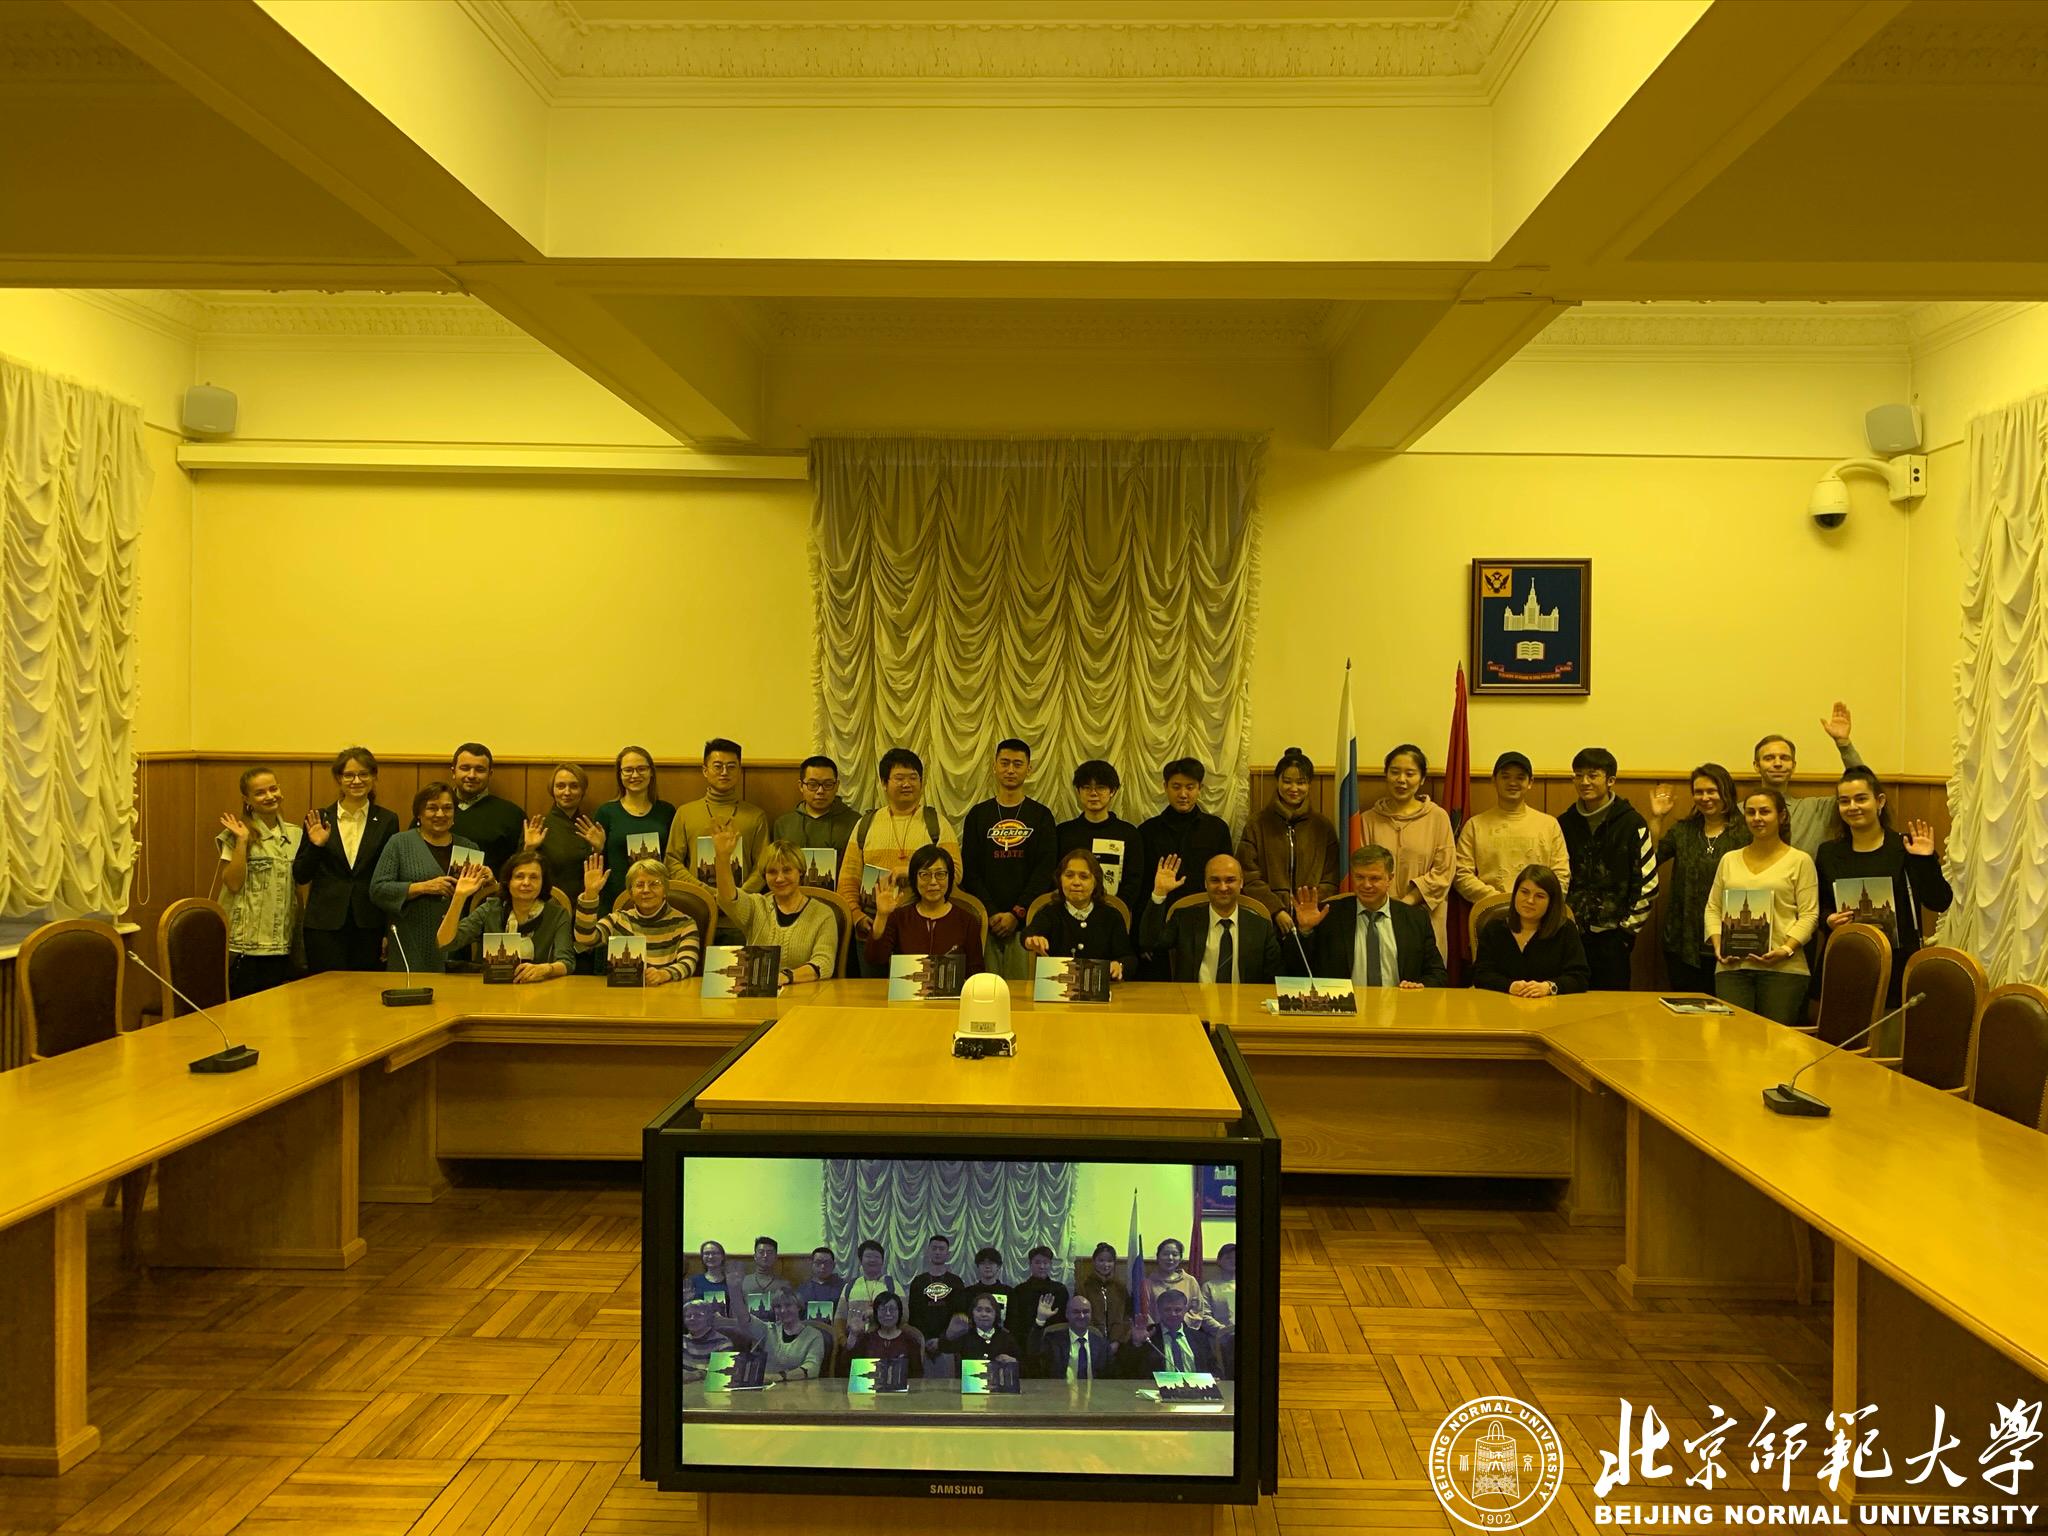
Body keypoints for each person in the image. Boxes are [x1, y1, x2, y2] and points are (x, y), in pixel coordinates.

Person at [1816, 768, 1953, 1007]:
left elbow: (1940, 901)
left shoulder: (1906, 846)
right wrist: (1829, 919)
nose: (1852, 807)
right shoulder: (1828, 853)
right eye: (1844, 801)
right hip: (1847, 962)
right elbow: (1819, 907)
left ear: (1879, 801)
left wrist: (1924, 861)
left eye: (1861, 799)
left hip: (1897, 966)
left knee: (1891, 1029)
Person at [1705, 789, 1820, 1026]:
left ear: (1782, 816)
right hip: (1732, 968)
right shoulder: (1729, 860)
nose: (1757, 818)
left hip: (1784, 970)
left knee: (1775, 1042)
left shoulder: (1800, 860)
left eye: (1765, 812)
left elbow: (1809, 915)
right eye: (1751, 812)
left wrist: (1786, 950)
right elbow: (1713, 908)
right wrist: (1718, 945)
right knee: (1732, 1039)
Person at [836, 748, 963, 947]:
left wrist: (909, 871)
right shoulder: (865, 824)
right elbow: (848, 879)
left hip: (922, 925)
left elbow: (955, 873)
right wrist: (856, 915)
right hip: (874, 924)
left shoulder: (937, 824)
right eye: (899, 778)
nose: (907, 784)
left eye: (913, 777)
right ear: (884, 783)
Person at [1647, 764, 1751, 994]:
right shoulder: (1683, 830)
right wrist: (1657, 818)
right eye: (1699, 792)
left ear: (1726, 792)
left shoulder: (1747, 831)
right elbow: (1650, 861)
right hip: (1683, 938)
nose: (1705, 798)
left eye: (1712, 791)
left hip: (1733, 939)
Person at [1560, 747, 1657, 990]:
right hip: (1568, 935)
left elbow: (1649, 883)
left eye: (1593, 775)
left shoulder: (1632, 823)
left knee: (1612, 1007)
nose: (1584, 782)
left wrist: (1626, 932)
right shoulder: (1563, 823)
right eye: (1578, 775)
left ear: (1610, 780)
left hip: (1614, 939)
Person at [961, 738, 1059, 980]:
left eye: (1017, 764)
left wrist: (1017, 914)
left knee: (1022, 990)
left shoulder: (1041, 816)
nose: (1010, 770)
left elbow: (1045, 870)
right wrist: (991, 912)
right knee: (985, 986)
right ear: (994, 766)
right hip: (986, 922)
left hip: (1027, 924)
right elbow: (970, 870)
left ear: (1029, 769)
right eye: (1004, 763)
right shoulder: (978, 815)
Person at [295, 746, 399, 974]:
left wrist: (388, 930)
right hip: (324, 925)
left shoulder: (387, 820)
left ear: (374, 776)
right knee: (325, 990)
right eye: (349, 775)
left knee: (366, 991)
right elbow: (301, 875)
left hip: (369, 924)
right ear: (338, 778)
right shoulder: (319, 818)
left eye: (363, 774)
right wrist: (316, 846)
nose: (356, 781)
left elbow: (390, 878)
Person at [1293, 843, 1449, 989]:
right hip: (1345, 1007)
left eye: (1374, 878)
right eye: (1360, 877)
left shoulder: (1415, 919)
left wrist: (1419, 987)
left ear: (1390, 878)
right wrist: (1305, 931)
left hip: (1400, 1005)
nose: (1366, 885)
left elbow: (1437, 974)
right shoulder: (1328, 915)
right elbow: (1296, 969)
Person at [371, 781, 482, 975]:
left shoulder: (469, 848)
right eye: (432, 808)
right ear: (419, 814)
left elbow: (479, 903)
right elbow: (378, 890)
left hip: (456, 946)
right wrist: (423, 887)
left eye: (447, 808)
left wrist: (488, 882)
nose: (440, 814)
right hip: (412, 942)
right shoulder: (399, 843)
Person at [710, 825, 836, 990]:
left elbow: (823, 963)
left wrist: (786, 977)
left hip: (805, 996)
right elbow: (727, 899)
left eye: (787, 870)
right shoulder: (756, 906)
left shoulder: (823, 914)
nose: (779, 878)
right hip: (757, 997)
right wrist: (722, 857)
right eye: (772, 872)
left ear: (801, 871)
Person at [1359, 743, 1456, 954]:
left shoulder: (1438, 817)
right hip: (1376, 915)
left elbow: (1444, 871)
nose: (1401, 779)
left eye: (1410, 774)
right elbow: (1362, 871)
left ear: (1422, 779)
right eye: (1395, 772)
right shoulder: (1367, 820)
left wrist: (1406, 903)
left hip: (1424, 916)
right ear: (1386, 775)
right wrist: (1386, 906)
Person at [216, 765, 301, 997]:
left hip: (282, 944)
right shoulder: (236, 833)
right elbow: (232, 883)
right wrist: (242, 842)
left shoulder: (296, 834)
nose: (270, 796)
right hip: (245, 945)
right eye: (260, 792)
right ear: (247, 799)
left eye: (273, 789)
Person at [1237, 747, 1341, 931]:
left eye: (1301, 782)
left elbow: (1331, 878)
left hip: (1312, 918)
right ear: (1277, 781)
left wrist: (1308, 908)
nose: (1294, 789)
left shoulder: (1323, 827)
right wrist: (1276, 910)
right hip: (1266, 919)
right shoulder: (1257, 824)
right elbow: (1248, 875)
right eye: (1287, 781)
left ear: (1309, 784)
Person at [1139, 853, 1285, 985]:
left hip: (1245, 1003)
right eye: (1215, 880)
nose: (1223, 887)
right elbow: (1149, 943)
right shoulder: (1184, 919)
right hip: (1193, 1001)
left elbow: (1274, 980)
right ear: (1205, 884)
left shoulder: (1261, 927)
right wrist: (1159, 893)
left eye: (1230, 880)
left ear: (1241, 883)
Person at [1453, 750, 1571, 906]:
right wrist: (1499, 900)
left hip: (1539, 912)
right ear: (1494, 780)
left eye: (1520, 777)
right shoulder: (1475, 825)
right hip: (1491, 910)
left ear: (1530, 782)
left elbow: (1561, 874)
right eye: (1505, 777)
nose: (1512, 783)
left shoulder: (1549, 824)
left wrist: (1536, 902)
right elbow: (1461, 874)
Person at [435, 849, 574, 980]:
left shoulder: (557, 914)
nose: (526, 883)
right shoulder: (490, 909)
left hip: (538, 988)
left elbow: (567, 962)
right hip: (490, 990)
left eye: (534, 877)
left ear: (543, 883)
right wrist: (459, 896)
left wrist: (547, 969)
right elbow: (444, 943)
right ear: (508, 882)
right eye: (519, 876)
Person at [573, 853, 701, 985]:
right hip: (626, 993)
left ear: (665, 890)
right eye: (639, 885)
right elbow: (585, 939)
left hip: (668, 991)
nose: (646, 890)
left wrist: (664, 974)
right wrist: (590, 895)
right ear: (631, 893)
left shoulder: (685, 924)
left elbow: (688, 963)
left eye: (654, 884)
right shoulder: (618, 919)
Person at [1755, 704, 1865, 857]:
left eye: (1785, 758)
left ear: (1793, 766)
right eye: (1769, 758)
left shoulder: (1817, 810)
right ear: (1756, 766)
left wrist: (1844, 744)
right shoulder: (1742, 812)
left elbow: (1864, 785)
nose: (1778, 763)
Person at [665, 738, 768, 894]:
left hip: (744, 902)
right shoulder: (685, 813)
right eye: (718, 766)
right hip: (697, 900)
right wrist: (704, 892)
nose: (724, 772)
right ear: (705, 770)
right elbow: (672, 861)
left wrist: (738, 897)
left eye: (731, 767)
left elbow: (763, 865)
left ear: (739, 771)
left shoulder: (756, 816)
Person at [863, 844, 985, 976]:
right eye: (924, 874)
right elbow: (874, 959)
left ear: (949, 878)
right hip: (906, 989)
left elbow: (976, 973)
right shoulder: (899, 917)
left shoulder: (967, 921)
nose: (933, 882)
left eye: (940, 874)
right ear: (914, 879)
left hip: (954, 990)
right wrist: (881, 916)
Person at [1471, 865, 1590, 997]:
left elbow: (1580, 977)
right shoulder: (1494, 929)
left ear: (1551, 902)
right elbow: (1481, 975)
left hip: (1550, 1006)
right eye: (1524, 892)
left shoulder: (1565, 929)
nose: (1530, 900)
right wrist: (1509, 986)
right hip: (1501, 1004)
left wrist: (1549, 987)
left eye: (1540, 896)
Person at [588, 746, 676, 915]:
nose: (635, 775)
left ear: (651, 772)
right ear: (620, 775)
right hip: (616, 901)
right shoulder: (606, 812)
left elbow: (674, 857)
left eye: (641, 769)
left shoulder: (667, 811)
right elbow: (594, 865)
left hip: (658, 901)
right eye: (628, 770)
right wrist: (597, 848)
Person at [1138, 758, 1233, 913]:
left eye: (1190, 787)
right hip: (1160, 913)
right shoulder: (1147, 831)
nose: (1183, 794)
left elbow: (1226, 876)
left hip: (1205, 912)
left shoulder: (1217, 828)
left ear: (1200, 788)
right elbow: (1142, 885)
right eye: (1176, 787)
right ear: (1165, 787)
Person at [1022, 848, 1133, 979]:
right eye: (1069, 875)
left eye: (1084, 877)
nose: (1076, 882)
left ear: (1095, 881)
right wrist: (1031, 940)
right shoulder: (1049, 913)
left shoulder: (1111, 916)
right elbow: (1029, 933)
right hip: (1056, 986)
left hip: (1099, 987)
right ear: (1060, 879)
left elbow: (1128, 957)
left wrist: (1119, 965)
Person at [1056, 759, 1147, 912]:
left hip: (1113, 914)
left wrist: (1116, 909)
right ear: (1078, 791)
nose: (1093, 793)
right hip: (1068, 913)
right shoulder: (1063, 832)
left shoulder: (1128, 833)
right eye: (1086, 787)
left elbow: (1134, 881)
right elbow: (1055, 876)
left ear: (1112, 791)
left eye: (1101, 787)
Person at [769, 755, 861, 873]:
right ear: (801, 786)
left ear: (837, 786)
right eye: (812, 785)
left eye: (828, 784)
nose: (820, 791)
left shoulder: (855, 822)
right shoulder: (784, 824)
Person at [530, 763, 604, 903]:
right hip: (547, 902)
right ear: (552, 790)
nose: (567, 792)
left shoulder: (591, 828)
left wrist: (598, 849)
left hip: (586, 900)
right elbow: (520, 871)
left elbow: (599, 874)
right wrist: (529, 848)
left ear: (583, 790)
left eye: (574, 786)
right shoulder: (538, 827)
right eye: (560, 786)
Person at [724, 1284, 827, 1384]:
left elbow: (812, 1368)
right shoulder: (768, 1329)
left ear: (798, 1307)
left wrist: (779, 1377)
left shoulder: (814, 1335)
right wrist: (734, 1289)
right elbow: (744, 1319)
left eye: (788, 1305)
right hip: (767, 1389)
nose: (783, 1310)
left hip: (799, 1390)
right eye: (778, 1306)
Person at [450, 743, 523, 876]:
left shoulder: (512, 815)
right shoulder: (432, 811)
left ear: (490, 774)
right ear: (453, 772)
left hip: (491, 888)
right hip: (435, 887)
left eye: (480, 770)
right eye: (465, 768)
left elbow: (522, 864)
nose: (471, 775)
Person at [1114, 1289, 1219, 1378]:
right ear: (1158, 1310)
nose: (1173, 1314)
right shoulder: (1148, 1334)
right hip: (1157, 1391)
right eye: (1167, 1310)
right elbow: (1126, 1371)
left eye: (1177, 1310)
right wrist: (1137, 1343)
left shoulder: (1199, 1338)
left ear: (1185, 1310)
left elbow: (1214, 1370)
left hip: (1196, 1391)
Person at [932, 1293, 1020, 1374]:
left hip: (997, 1384)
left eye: (988, 1311)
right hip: (967, 1383)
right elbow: (944, 1348)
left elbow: (1023, 1366)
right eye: (979, 1310)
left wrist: (1013, 1361)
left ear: (996, 1314)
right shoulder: (964, 1335)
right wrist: (949, 1334)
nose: (983, 1314)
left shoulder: (1006, 1338)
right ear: (972, 1313)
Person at [1034, 1293, 1113, 1382]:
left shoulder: (1102, 1345)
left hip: (1094, 1390)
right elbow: (1033, 1353)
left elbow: (1112, 1377)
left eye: (1086, 1312)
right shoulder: (1053, 1340)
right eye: (1076, 1312)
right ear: (1067, 1314)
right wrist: (1040, 1320)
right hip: (1058, 1390)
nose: (1081, 1316)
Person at [1008, 1245, 1071, 1357]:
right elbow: (1014, 1323)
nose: (1042, 1266)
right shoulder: (1020, 1290)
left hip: (1054, 1345)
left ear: (1050, 1264)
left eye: (1046, 1263)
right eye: (1037, 1262)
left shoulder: (1060, 1290)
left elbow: (1063, 1321)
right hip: (1025, 1345)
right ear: (1030, 1264)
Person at [904, 1235, 967, 1347]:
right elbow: (914, 1315)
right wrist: (921, 1339)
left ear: (947, 1254)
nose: (937, 1252)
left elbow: (959, 1315)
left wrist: (942, 1340)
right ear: (928, 1252)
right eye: (934, 1248)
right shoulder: (918, 1282)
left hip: (949, 1343)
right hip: (921, 1342)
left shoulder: (956, 1282)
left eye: (941, 1249)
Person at [846, 1292, 923, 1378]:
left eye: (892, 1309)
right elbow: (848, 1368)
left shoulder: (910, 1342)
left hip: (902, 1386)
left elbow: (917, 1376)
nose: (888, 1313)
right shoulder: (866, 1340)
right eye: (883, 1309)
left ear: (899, 1312)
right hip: (870, 1386)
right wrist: (853, 1334)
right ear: (876, 1313)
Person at [1148, 1238, 1214, 1326]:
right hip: (1156, 1331)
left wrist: (1178, 1325)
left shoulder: (1190, 1281)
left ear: (1180, 1258)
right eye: (1165, 1254)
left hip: (1184, 1330)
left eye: (1175, 1254)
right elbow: (1145, 1312)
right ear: (1158, 1257)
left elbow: (1197, 1310)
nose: (1170, 1258)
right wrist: (1158, 1329)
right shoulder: (1148, 1283)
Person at [1078, 1242, 1132, 1342]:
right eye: (1101, 1260)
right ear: (1094, 1262)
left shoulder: (1120, 1287)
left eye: (1109, 1261)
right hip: (1091, 1340)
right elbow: (1080, 1316)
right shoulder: (1085, 1286)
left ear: (1114, 1263)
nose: (1105, 1265)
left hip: (1118, 1343)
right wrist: (1095, 1338)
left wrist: (1117, 1340)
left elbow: (1127, 1316)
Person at [837, 1240, 896, 1329]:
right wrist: (842, 1337)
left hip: (884, 1336)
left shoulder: (892, 1285)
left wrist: (876, 1313)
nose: (872, 1260)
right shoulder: (850, 1286)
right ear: (860, 1260)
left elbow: (903, 1317)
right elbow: (839, 1319)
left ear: (882, 1261)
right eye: (868, 1256)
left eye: (876, 1257)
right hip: (855, 1336)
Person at [955, 1247, 1011, 1330]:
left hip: (1001, 1336)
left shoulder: (1008, 1292)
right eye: (983, 1263)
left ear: (998, 1266)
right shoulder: (968, 1292)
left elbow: (1012, 1321)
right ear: (978, 1266)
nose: (987, 1266)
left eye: (991, 1263)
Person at [797, 1247, 846, 1323]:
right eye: (818, 1262)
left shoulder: (844, 1287)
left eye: (827, 1263)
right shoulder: (802, 1289)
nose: (823, 1266)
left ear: (834, 1265)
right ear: (811, 1264)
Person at [741, 1236, 782, 1317]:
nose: (765, 1255)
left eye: (770, 1252)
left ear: (776, 1257)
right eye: (761, 1252)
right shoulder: (743, 1282)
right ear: (755, 1256)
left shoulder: (784, 1284)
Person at [1202, 1244, 1238, 1331]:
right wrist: (1224, 1331)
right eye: (1228, 1258)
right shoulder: (1209, 1286)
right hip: (1219, 1335)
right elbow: (1204, 1315)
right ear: (1219, 1261)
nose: (1233, 1260)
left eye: (1236, 1257)